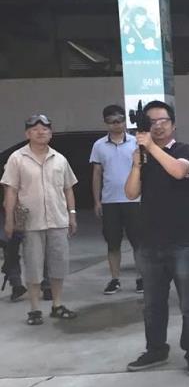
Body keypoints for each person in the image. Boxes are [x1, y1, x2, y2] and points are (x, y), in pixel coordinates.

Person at [123, 100, 189, 375]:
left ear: (173, 124)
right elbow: (131, 193)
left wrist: (151, 147)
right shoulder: (142, 155)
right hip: (149, 241)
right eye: (152, 122)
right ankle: (156, 349)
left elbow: (179, 171)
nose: (158, 126)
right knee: (152, 304)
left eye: (163, 121)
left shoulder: (183, 150)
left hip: (182, 241)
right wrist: (137, 165)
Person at [1, 113, 78, 325]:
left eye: (45, 129)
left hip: (58, 220)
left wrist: (72, 214)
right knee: (33, 266)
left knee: (58, 264)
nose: (40, 132)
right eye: (35, 129)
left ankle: (57, 305)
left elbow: (68, 188)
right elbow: (11, 190)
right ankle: (34, 309)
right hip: (30, 223)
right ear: (27, 134)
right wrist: (9, 220)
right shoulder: (17, 158)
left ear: (51, 133)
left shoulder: (60, 159)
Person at [90, 104, 142, 295]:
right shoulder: (99, 145)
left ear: (125, 121)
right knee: (112, 243)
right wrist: (97, 201)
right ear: (106, 123)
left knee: (138, 242)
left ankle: (141, 278)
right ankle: (115, 279)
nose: (116, 124)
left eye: (119, 120)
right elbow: (97, 174)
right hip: (110, 201)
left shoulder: (136, 142)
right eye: (112, 121)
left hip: (134, 200)